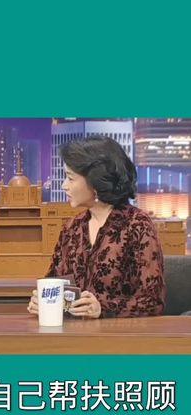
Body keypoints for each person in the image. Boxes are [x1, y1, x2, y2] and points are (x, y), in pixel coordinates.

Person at [28, 136, 165, 318]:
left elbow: (152, 301)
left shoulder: (137, 225)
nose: (64, 186)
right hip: (73, 332)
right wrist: (43, 301)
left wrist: (103, 308)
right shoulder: (72, 228)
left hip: (119, 333)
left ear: (96, 183)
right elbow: (54, 284)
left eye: (70, 178)